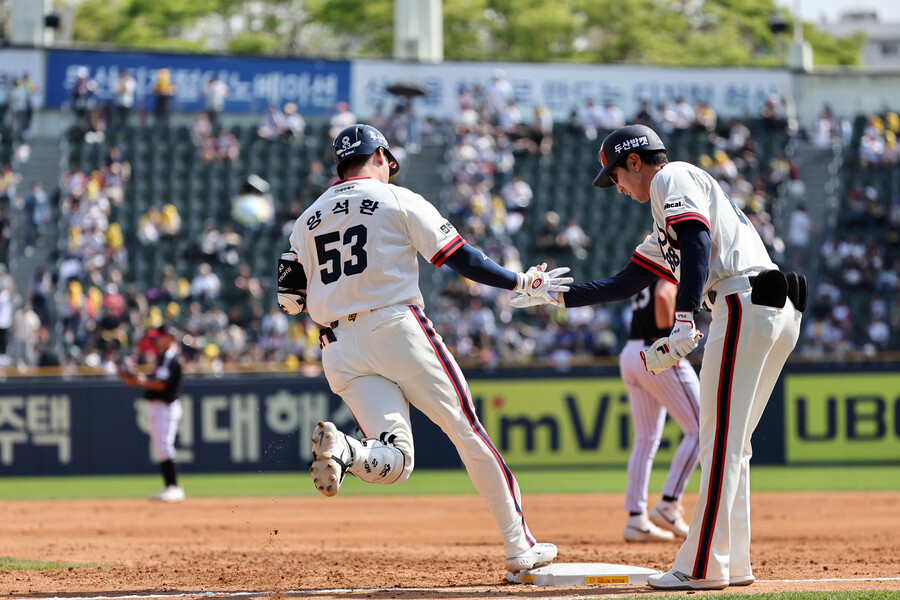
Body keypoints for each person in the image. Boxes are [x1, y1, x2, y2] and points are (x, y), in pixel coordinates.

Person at [513, 124, 805, 590]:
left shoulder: (673, 178)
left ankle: (703, 568)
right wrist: (557, 297)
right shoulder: (662, 221)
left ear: (634, 161)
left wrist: (685, 317)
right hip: (772, 305)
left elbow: (697, 242)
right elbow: (624, 282)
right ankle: (734, 561)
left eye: (616, 176)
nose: (618, 188)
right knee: (733, 445)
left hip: (742, 301)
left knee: (717, 442)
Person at [278, 123, 571, 578]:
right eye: (387, 163)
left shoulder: (307, 219)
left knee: (397, 460)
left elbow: (289, 299)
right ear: (379, 157)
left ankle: (347, 451)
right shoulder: (396, 198)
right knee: (467, 431)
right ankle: (518, 545)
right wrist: (520, 281)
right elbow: (460, 256)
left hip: (338, 347)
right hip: (395, 327)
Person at [620, 277, 700, 543]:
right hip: (657, 351)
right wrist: (672, 343)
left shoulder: (647, 262)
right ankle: (669, 503)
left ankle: (635, 519)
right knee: (702, 429)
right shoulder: (669, 262)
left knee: (645, 439)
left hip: (632, 352)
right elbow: (664, 297)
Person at [117, 324, 186, 502]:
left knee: (164, 446)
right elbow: (155, 380)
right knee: (161, 448)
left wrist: (138, 382)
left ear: (169, 337)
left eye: (160, 336)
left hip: (166, 406)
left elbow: (162, 384)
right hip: (157, 405)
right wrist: (135, 379)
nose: (157, 340)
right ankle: (169, 487)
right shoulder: (163, 357)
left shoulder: (172, 358)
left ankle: (174, 487)